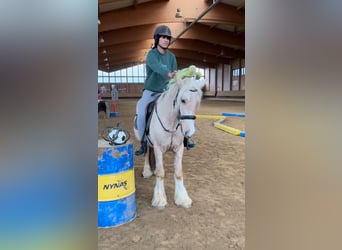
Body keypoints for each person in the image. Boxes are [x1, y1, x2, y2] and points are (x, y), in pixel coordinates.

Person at [134, 25, 195, 156]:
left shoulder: (172, 57)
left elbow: (174, 75)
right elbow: (157, 67)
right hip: (151, 91)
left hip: (167, 92)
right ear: (157, 39)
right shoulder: (151, 55)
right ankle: (143, 143)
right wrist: (168, 73)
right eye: (163, 37)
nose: (166, 40)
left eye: (168, 38)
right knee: (142, 111)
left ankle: (185, 138)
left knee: (182, 108)